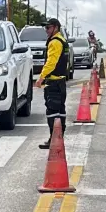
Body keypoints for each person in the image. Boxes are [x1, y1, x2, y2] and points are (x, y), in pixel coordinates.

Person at [34, 18, 70, 149]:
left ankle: (54, 139)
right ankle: (58, 137)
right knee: (60, 111)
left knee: (52, 112)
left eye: (48, 28)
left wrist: (41, 78)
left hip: (54, 82)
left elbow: (51, 62)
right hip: (60, 81)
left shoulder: (55, 42)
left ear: (55, 27)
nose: (46, 30)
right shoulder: (62, 40)